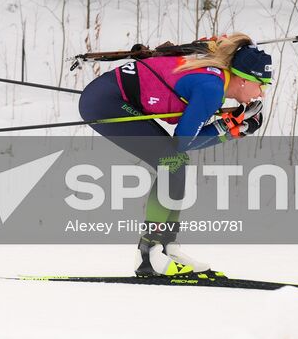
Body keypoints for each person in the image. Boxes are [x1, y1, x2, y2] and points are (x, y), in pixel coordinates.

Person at [77, 32, 273, 276]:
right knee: (172, 161)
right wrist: (229, 129)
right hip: (106, 101)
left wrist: (231, 127)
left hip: (110, 95)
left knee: (176, 164)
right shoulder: (212, 88)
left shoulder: (216, 80)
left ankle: (166, 247)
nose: (261, 93)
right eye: (261, 84)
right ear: (243, 79)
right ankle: (149, 254)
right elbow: (182, 142)